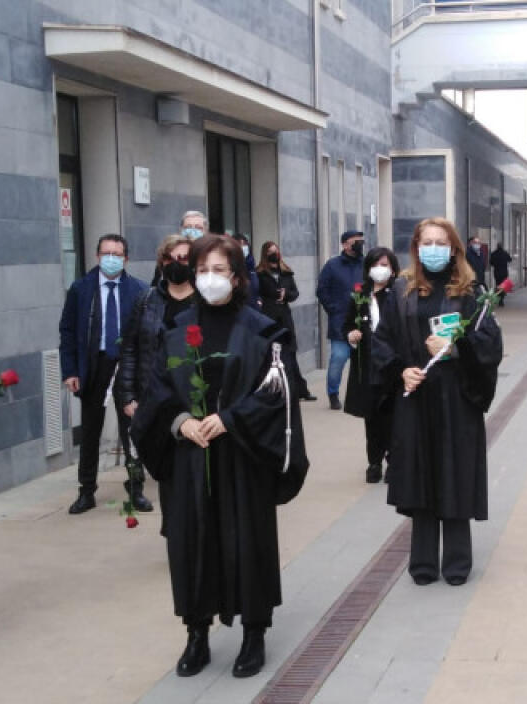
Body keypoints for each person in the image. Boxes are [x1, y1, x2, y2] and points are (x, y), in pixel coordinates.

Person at [130, 234, 309, 679]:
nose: (210, 278)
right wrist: (179, 422)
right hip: (190, 458)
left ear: (237, 276)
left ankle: (253, 633)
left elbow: (276, 393)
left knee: (247, 542)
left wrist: (231, 418)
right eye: (203, 270)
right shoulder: (175, 330)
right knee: (193, 542)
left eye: (219, 270)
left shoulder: (261, 329)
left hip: (243, 456)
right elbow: (157, 392)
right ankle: (197, 634)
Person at [372, 217, 502, 587]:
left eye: (440, 242)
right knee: (420, 472)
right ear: (416, 248)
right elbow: (382, 340)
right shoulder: (402, 291)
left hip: (457, 397)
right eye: (426, 242)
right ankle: (423, 562)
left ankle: (458, 561)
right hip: (417, 396)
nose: (433, 249)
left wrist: (457, 347)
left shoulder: (471, 291)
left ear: (454, 248)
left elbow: (490, 343)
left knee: (455, 472)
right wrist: (401, 371)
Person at [58, 234, 150, 514]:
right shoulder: (81, 289)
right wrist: (70, 370)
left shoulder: (139, 290)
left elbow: (146, 335)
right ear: (97, 256)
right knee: (90, 431)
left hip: (127, 367)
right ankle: (86, 490)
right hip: (94, 366)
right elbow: (68, 331)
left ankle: (136, 488)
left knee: (131, 431)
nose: (112, 258)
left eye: (118, 254)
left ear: (126, 258)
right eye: (107, 253)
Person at [114, 234, 198, 498]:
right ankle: (141, 492)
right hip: (153, 396)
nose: (177, 263)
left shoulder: (204, 303)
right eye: (170, 258)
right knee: (162, 464)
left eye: (184, 258)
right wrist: (127, 394)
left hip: (192, 398)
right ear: (161, 262)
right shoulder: (146, 300)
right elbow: (130, 349)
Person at [342, 246, 401, 483]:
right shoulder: (360, 294)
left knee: (393, 416)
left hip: (391, 364)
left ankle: (394, 461)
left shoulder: (398, 293)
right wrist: (351, 334)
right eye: (376, 265)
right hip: (367, 365)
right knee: (372, 416)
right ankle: (374, 462)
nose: (380, 270)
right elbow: (346, 324)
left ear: (393, 269)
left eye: (385, 265)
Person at [256, 241, 318, 402]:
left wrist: (286, 294)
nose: (274, 254)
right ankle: (270, 390)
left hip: (284, 317)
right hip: (267, 317)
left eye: (276, 251)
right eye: (270, 251)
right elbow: (256, 293)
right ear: (265, 254)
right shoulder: (259, 274)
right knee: (269, 354)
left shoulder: (286, 273)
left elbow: (295, 292)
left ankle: (299, 389)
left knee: (290, 354)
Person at [317, 230, 365, 410]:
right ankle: (333, 393)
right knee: (338, 357)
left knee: (361, 361)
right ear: (345, 244)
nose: (360, 244)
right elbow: (322, 290)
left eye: (361, 241)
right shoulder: (332, 265)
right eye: (355, 241)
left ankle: (360, 394)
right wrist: (334, 309)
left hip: (363, 321)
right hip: (341, 321)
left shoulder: (366, 264)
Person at [232, 233, 261, 307]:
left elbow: (255, 289)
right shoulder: (231, 265)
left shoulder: (251, 265)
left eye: (244, 244)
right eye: (239, 244)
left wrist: (259, 299)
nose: (243, 247)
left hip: (254, 309)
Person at [489, 242, 513, 307]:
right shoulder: (505, 253)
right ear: (502, 246)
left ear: (497, 246)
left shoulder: (493, 254)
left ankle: (498, 299)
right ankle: (501, 300)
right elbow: (510, 260)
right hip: (504, 272)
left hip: (497, 272)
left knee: (498, 285)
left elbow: (491, 263)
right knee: (503, 286)